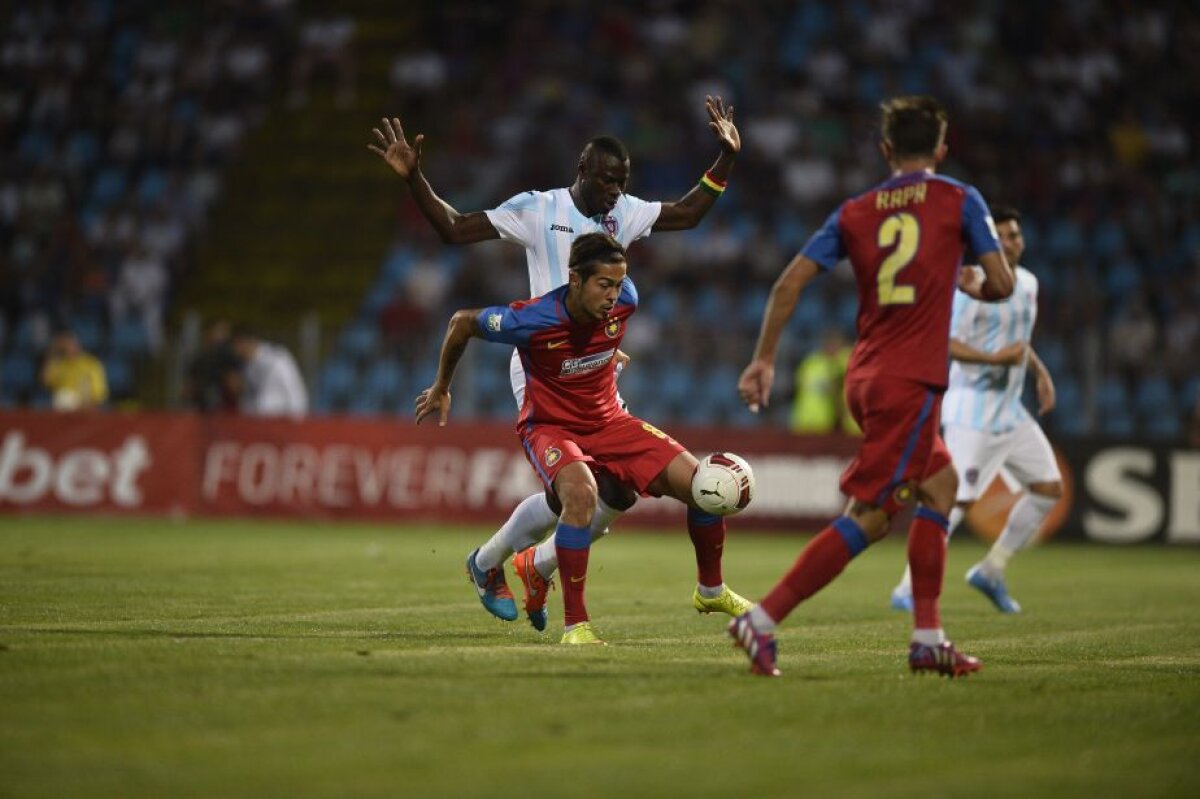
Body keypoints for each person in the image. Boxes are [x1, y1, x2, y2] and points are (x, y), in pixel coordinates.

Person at [369, 97, 741, 626]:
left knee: (616, 492)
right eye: (608, 180)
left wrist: (726, 157)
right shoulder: (538, 209)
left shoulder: (625, 212)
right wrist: (415, 180)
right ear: (583, 170)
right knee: (575, 490)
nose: (615, 192)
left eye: (623, 181)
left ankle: (526, 565)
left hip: (596, 369)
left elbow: (687, 213)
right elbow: (455, 228)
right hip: (541, 361)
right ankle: (496, 564)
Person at [732, 96, 1015, 677]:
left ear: (886, 150)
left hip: (867, 375)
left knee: (940, 485)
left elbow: (788, 284)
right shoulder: (959, 198)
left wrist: (764, 359)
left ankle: (928, 637)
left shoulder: (856, 211)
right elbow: (1003, 283)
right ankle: (760, 620)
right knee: (873, 515)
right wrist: (967, 281)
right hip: (910, 380)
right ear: (941, 147)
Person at [415, 234, 751, 643]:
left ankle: (710, 591)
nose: (614, 295)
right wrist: (442, 387)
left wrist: (611, 352)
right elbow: (461, 322)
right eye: (603, 285)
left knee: (702, 485)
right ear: (575, 280)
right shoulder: (534, 319)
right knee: (579, 495)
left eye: (618, 284)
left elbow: (600, 336)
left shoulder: (627, 299)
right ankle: (576, 625)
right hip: (551, 426)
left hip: (609, 420)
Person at [889, 206, 1062, 614]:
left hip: (1011, 411)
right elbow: (945, 343)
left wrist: (1040, 372)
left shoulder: (1030, 284)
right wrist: (996, 360)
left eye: (1015, 235)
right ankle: (907, 587)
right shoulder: (970, 289)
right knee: (954, 500)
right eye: (1000, 236)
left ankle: (992, 569)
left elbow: (1017, 340)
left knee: (1048, 489)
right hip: (971, 412)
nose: (1010, 242)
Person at [229, 325, 309, 418]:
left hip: (282, 422)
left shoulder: (277, 358)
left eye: (236, 345)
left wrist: (297, 423)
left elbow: (294, 391)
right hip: (258, 423)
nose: (234, 350)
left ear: (247, 342)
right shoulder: (246, 367)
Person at [788, 327, 857, 435]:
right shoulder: (810, 362)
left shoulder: (845, 359)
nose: (832, 347)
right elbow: (798, 386)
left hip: (830, 422)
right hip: (803, 420)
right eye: (830, 343)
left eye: (836, 343)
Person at [41, 328, 108, 410]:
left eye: (70, 342)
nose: (68, 346)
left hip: (84, 411)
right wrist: (53, 351)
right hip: (61, 412)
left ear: (77, 343)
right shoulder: (59, 364)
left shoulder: (91, 364)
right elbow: (45, 380)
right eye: (65, 344)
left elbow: (99, 395)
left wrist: (84, 405)